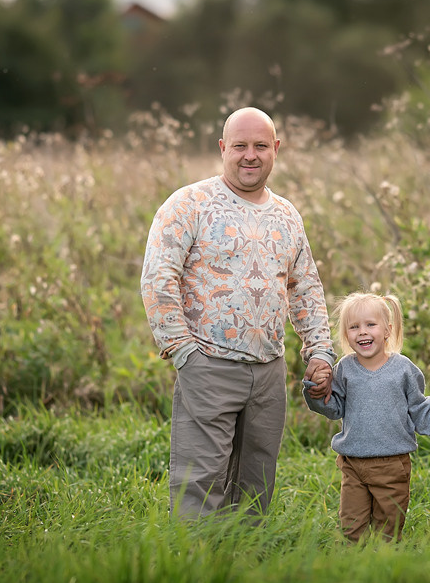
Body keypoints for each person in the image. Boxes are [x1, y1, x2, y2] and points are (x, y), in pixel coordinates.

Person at [141, 106, 335, 520]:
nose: (251, 155)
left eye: (261, 146)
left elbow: (305, 288)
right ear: (222, 148)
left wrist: (319, 351)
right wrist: (182, 351)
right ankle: (196, 572)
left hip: (268, 371)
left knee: (256, 484)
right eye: (240, 146)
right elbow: (158, 280)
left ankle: (245, 568)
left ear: (276, 149)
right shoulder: (189, 204)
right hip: (207, 363)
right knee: (201, 482)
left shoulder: (286, 215)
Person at [304, 292, 430, 542]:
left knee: (387, 531)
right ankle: (354, 569)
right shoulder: (344, 369)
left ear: (387, 330)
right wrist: (315, 393)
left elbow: (420, 410)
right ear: (346, 334)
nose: (362, 332)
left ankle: (384, 569)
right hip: (353, 464)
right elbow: (333, 408)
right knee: (351, 529)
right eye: (354, 327)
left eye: (370, 325)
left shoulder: (403, 370)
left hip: (392, 465)